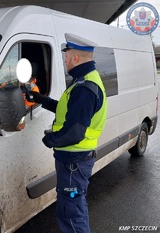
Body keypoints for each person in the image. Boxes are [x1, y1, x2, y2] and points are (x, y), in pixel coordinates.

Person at [30, 33, 108, 233]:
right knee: (76, 206)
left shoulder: (84, 88)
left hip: (74, 160)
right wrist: (42, 99)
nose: (64, 62)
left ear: (75, 58)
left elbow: (74, 133)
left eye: (66, 57)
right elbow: (69, 112)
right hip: (76, 160)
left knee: (70, 212)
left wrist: (50, 139)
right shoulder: (85, 81)